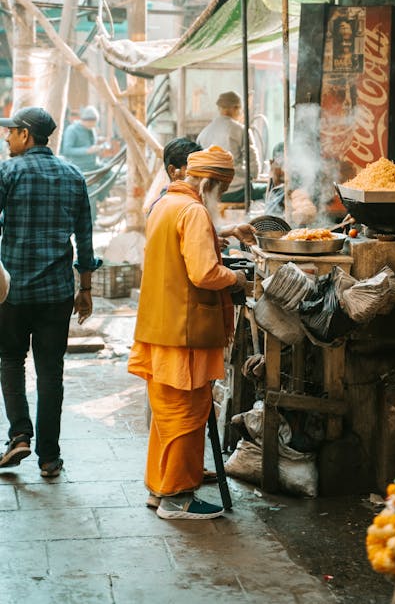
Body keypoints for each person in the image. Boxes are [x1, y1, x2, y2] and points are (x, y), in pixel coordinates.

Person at [129, 145, 247, 520]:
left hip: (160, 326)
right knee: (187, 413)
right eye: (222, 190)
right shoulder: (193, 211)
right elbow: (204, 273)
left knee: (167, 414)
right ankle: (177, 498)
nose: (221, 199)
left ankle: (159, 489)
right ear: (211, 183)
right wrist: (237, 277)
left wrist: (221, 233)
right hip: (185, 331)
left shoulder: (165, 204)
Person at [0, 106, 101, 477]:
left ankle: (20, 435)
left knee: (10, 360)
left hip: (12, 291)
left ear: (26, 135)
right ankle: (49, 457)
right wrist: (85, 288)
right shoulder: (74, 175)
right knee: (50, 372)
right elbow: (85, 238)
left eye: (10, 132)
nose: (6, 137)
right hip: (58, 292)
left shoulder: (7, 172)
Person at [196, 91, 262, 203]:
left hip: (210, 193)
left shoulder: (204, 133)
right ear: (236, 108)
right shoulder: (240, 130)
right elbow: (254, 168)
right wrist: (252, 176)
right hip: (235, 191)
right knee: (269, 191)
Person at [61, 105, 107, 222]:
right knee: (91, 192)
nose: (94, 126)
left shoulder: (91, 129)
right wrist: (86, 150)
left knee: (110, 174)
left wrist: (99, 145)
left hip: (93, 164)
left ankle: (100, 199)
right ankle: (91, 222)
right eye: (93, 123)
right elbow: (67, 150)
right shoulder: (72, 130)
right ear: (86, 120)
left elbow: (92, 144)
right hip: (79, 166)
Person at [264, 142, 285, 217]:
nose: (284, 170)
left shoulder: (284, 192)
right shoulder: (274, 189)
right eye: (281, 164)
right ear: (271, 163)